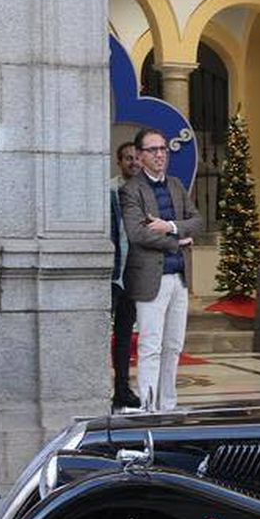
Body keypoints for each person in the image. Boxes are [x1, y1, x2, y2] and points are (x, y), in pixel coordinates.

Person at [119, 127, 202, 412]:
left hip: (179, 278)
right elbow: (137, 233)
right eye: (153, 150)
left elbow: (197, 221)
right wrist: (178, 241)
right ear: (140, 156)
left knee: (173, 346)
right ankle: (149, 407)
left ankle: (168, 404)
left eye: (163, 149)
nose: (160, 155)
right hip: (150, 279)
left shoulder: (176, 185)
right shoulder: (131, 190)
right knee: (151, 346)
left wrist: (170, 227)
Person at [109, 134, 141, 410]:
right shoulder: (110, 191)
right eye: (128, 158)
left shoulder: (147, 193)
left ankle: (122, 388)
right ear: (119, 162)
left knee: (124, 336)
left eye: (136, 157)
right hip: (112, 274)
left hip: (134, 275)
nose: (133, 162)